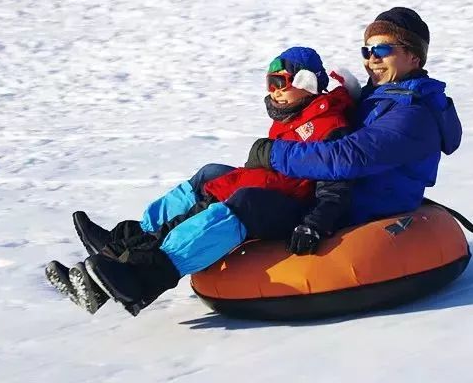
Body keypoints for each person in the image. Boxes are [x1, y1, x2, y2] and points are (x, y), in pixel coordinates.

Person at [45, 47, 357, 316]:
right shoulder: (294, 114)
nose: (273, 90)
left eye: (280, 82)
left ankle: (145, 275)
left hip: (296, 208)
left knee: (242, 201)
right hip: (274, 189)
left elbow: (336, 186)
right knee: (211, 174)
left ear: (307, 83)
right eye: (269, 82)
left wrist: (314, 224)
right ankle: (127, 241)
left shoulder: (330, 126)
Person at [245, 7, 463, 226]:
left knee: (247, 203)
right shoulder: (373, 99)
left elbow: (348, 157)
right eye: (367, 51)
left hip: (359, 213)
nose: (372, 58)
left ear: (414, 57)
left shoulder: (414, 114)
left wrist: (273, 153)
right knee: (215, 175)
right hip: (329, 197)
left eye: (383, 49)